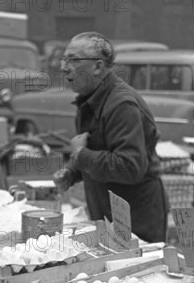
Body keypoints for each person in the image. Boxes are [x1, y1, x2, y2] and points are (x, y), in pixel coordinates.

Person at [53, 32, 168, 243]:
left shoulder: (122, 105)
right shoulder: (90, 98)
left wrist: (81, 156)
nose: (64, 67)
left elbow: (129, 167)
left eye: (74, 60)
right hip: (107, 212)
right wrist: (72, 172)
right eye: (64, 59)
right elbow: (99, 149)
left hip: (136, 219)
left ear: (98, 67)